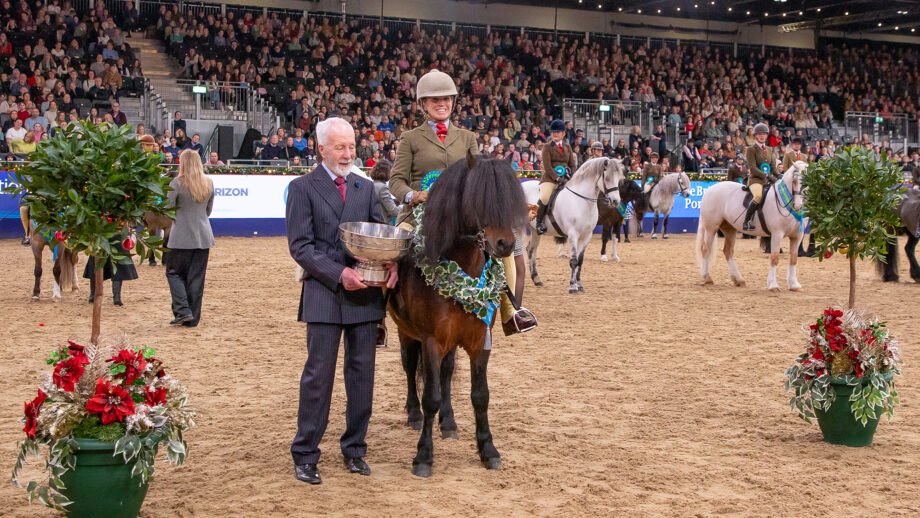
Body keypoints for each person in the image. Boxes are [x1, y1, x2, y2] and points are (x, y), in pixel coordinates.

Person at [285, 117, 398, 485]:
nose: (348, 153)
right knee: (318, 378)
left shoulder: (365, 189)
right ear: (321, 149)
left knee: (362, 377)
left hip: (365, 298)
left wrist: (390, 264)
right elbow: (300, 248)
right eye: (339, 147)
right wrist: (339, 274)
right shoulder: (302, 188)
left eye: (351, 146)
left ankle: (355, 450)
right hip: (323, 294)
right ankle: (305, 454)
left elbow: (380, 238)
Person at [389, 69, 535, 336]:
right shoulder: (410, 138)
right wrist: (413, 195)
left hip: (461, 219)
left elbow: (481, 178)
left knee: (508, 255)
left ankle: (510, 312)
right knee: (393, 252)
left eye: (446, 98)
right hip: (418, 214)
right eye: (435, 100)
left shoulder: (467, 138)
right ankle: (379, 317)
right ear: (423, 104)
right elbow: (396, 181)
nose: (441, 104)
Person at [164, 149, 215, 327]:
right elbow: (208, 211)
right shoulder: (208, 183)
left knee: (174, 273)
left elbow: (167, 207)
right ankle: (193, 317)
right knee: (196, 278)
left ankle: (183, 310)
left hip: (181, 237)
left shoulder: (176, 183)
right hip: (203, 236)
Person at [535, 118, 576, 235]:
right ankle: (539, 223)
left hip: (566, 177)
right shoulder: (547, 147)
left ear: (563, 133)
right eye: (553, 132)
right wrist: (557, 178)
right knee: (545, 197)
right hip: (550, 178)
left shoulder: (568, 147)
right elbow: (547, 167)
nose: (555, 134)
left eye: (558, 132)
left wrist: (573, 176)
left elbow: (572, 165)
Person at [742, 123, 776, 231]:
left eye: (764, 134)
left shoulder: (770, 149)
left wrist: (779, 175)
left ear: (766, 136)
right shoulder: (751, 149)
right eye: (760, 134)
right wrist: (766, 175)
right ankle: (746, 221)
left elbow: (773, 167)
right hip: (755, 180)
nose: (762, 136)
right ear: (756, 136)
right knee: (757, 196)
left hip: (767, 180)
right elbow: (752, 168)